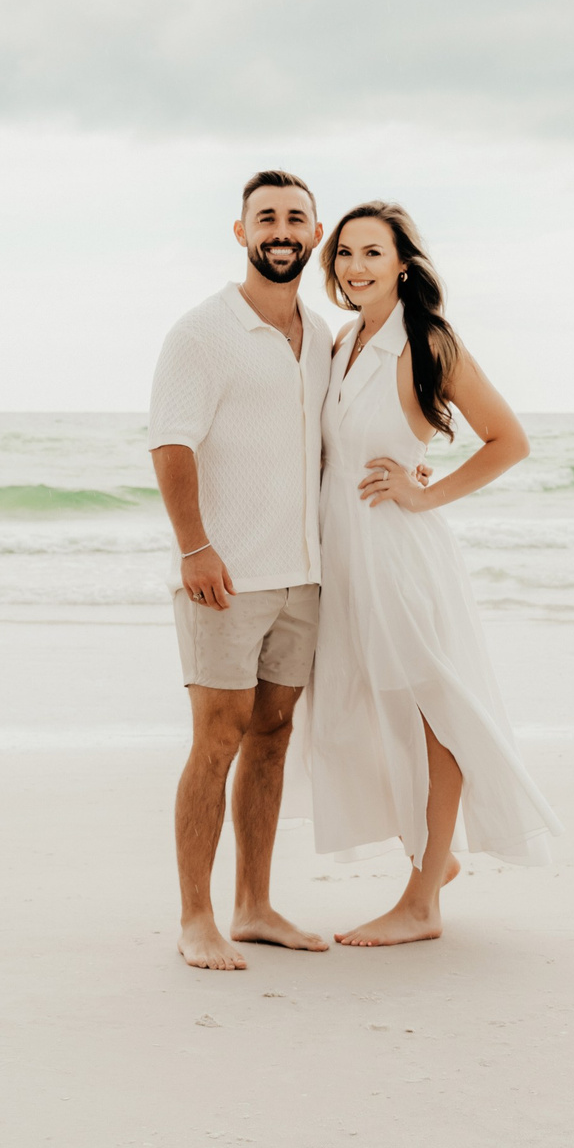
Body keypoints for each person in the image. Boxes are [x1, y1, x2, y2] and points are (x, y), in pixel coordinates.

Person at [308, 200, 562, 947]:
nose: (355, 267)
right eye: (345, 254)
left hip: (398, 554)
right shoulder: (342, 341)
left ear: (403, 264)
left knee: (432, 713)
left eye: (372, 254)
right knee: (364, 708)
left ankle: (422, 903)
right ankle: (436, 859)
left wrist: (426, 493)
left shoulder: (428, 340)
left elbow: (507, 439)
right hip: (345, 555)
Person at [147, 169, 335, 972]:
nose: (281, 230)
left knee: (273, 736)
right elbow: (171, 443)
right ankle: (197, 918)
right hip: (223, 577)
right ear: (241, 233)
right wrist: (194, 546)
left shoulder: (324, 337)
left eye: (296, 217)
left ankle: (254, 906)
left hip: (303, 576)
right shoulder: (202, 332)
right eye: (267, 218)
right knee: (216, 740)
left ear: (314, 234)